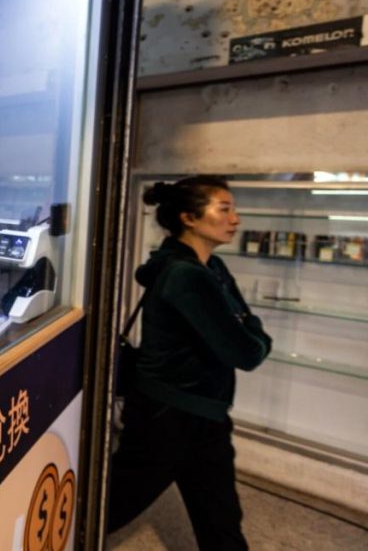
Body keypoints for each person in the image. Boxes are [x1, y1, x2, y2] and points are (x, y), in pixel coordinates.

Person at [108, 175, 272, 550]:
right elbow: (246, 351)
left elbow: (245, 332)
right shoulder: (186, 276)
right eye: (224, 209)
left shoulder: (213, 268)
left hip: (204, 413)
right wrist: (254, 332)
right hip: (166, 414)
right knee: (115, 503)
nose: (235, 218)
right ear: (189, 218)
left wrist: (250, 330)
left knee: (221, 518)